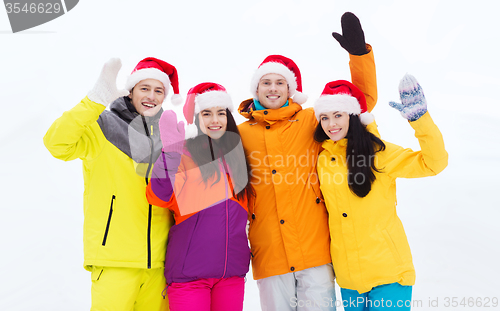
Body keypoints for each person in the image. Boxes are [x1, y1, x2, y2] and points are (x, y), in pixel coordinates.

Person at [237, 12, 377, 311]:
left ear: (291, 90)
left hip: (316, 249)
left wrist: (358, 55)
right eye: (266, 82)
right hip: (269, 250)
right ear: (256, 89)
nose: (273, 88)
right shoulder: (239, 134)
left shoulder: (311, 119)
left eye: (280, 83)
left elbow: (358, 102)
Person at [43, 57, 182, 310]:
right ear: (131, 91)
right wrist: (95, 100)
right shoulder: (103, 126)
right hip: (116, 259)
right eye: (144, 88)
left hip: (160, 265)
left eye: (158, 90)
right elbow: (56, 144)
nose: (151, 96)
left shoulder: (170, 134)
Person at [313, 76, 448, 310]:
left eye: (338, 115)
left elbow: (433, 163)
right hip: (349, 279)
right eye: (324, 117)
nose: (331, 123)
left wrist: (420, 121)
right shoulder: (322, 159)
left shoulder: (378, 152)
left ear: (352, 116)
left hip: (388, 272)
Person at [146, 82, 254, 311]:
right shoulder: (182, 154)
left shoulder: (238, 158)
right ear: (195, 118)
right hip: (190, 275)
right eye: (206, 113)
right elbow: (157, 195)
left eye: (220, 113)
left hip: (231, 274)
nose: (215, 120)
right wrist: (169, 155)